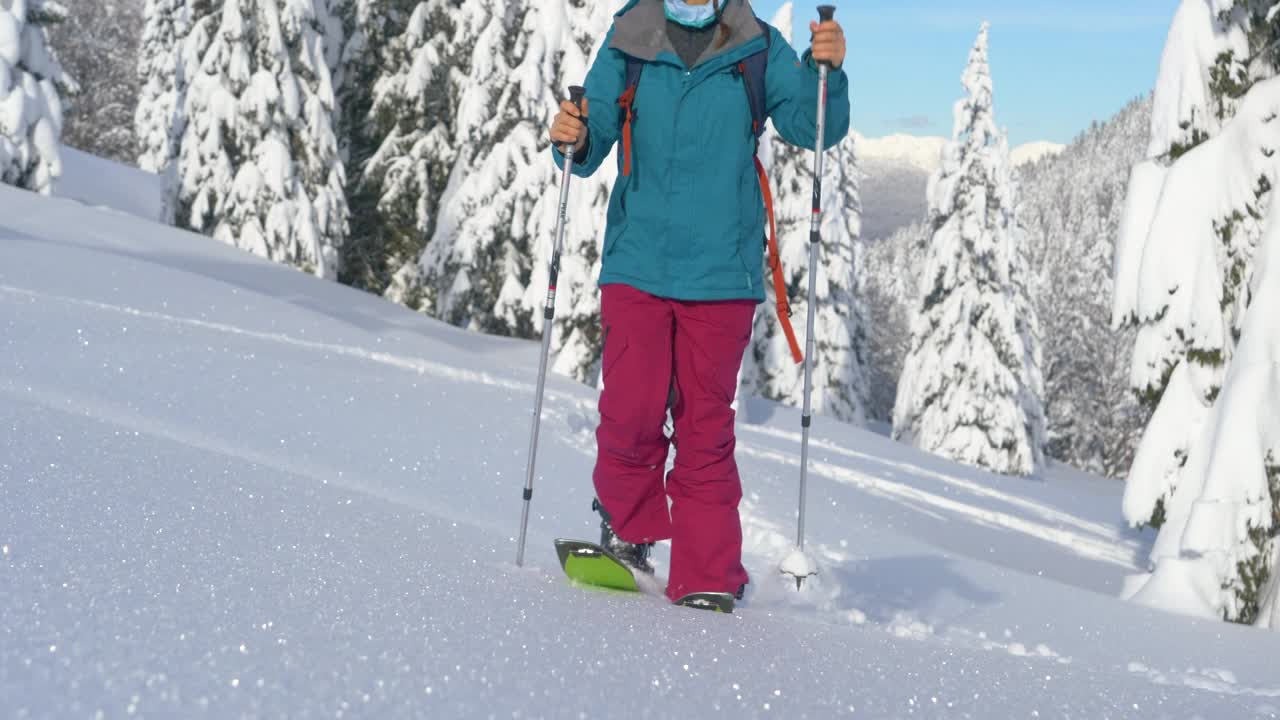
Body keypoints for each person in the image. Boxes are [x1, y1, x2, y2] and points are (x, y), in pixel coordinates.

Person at [548, 0, 849, 604]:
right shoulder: (631, 34)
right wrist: (571, 137)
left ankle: (707, 574)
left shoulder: (756, 45)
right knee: (629, 412)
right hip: (638, 265)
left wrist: (827, 75)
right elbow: (591, 137)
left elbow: (813, 126)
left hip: (719, 277)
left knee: (704, 428)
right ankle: (627, 538)